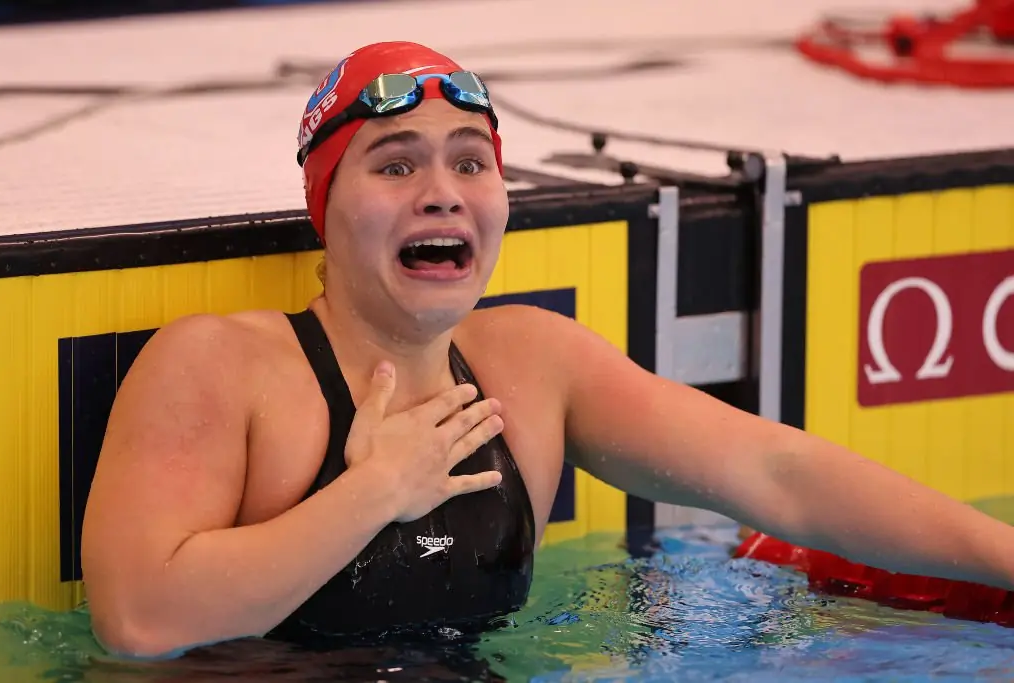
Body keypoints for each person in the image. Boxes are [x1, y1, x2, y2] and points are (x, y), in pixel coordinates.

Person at [80, 40, 1014, 660]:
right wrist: (372, 493)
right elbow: (137, 619)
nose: (442, 191)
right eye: (396, 162)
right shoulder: (223, 368)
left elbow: (779, 471)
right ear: (324, 210)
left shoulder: (530, 364)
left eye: (470, 162)